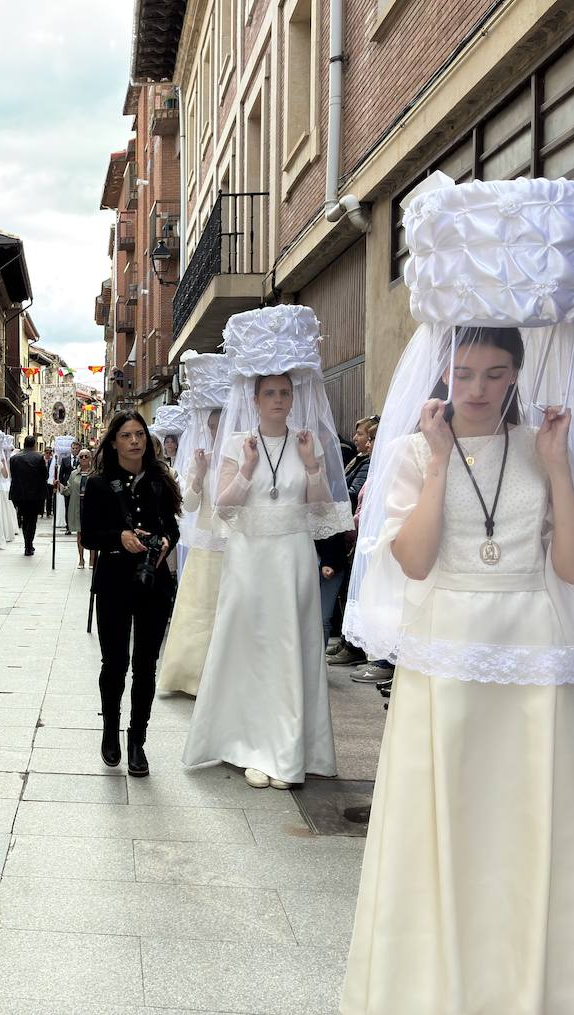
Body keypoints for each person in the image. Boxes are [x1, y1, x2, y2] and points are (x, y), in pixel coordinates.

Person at [341, 175, 574, 1015]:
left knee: (524, 825)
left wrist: (558, 470)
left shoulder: (543, 444)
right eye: (465, 371)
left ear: (514, 376)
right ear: (444, 368)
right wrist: (430, 462)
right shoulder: (413, 454)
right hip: (446, 648)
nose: (478, 388)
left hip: (530, 656)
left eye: (496, 373)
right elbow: (416, 559)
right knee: (445, 825)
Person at [183, 305, 351, 790]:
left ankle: (291, 748)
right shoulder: (238, 443)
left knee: (292, 646)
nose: (278, 399)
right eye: (269, 393)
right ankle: (249, 742)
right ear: (255, 399)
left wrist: (313, 468)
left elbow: (320, 508)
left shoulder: (308, 441)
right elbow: (225, 505)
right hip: (250, 555)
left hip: (293, 553)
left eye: (284, 392)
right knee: (251, 643)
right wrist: (250, 469)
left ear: (292, 396)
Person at [81, 411, 181, 777]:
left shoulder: (160, 480)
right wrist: (118, 538)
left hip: (154, 583)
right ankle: (110, 729)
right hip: (114, 583)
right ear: (113, 442)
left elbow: (172, 526)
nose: (135, 441)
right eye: (126, 435)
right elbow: (89, 535)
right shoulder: (98, 484)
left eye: (140, 434)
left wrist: (167, 541)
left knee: (145, 666)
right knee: (115, 663)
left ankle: (137, 738)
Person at [157, 351, 232, 697]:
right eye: (212, 428)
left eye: (221, 428)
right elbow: (187, 504)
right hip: (205, 546)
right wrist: (199, 477)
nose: (216, 433)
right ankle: (190, 674)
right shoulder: (198, 460)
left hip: (232, 546)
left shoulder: (238, 457)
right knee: (199, 611)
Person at [327, 414, 380, 670]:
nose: (364, 441)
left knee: (359, 591)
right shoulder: (362, 460)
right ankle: (349, 641)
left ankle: (357, 646)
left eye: (368, 437)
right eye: (363, 436)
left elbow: (355, 494)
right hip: (355, 533)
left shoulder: (369, 463)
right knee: (350, 591)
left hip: (364, 534)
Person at [8, 435, 47, 556]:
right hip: (35, 494)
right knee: (32, 520)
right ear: (34, 444)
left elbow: (13, 476)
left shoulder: (14, 458)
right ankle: (29, 544)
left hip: (20, 493)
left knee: (24, 518)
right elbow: (44, 476)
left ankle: (27, 544)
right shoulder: (39, 457)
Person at [63, 449, 93, 568]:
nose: (84, 458)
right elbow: (68, 490)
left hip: (91, 507)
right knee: (80, 533)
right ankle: (81, 559)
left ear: (90, 458)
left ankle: (92, 559)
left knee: (92, 533)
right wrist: (60, 488)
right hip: (77, 505)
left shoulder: (95, 473)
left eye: (86, 456)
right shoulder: (74, 473)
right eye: (81, 457)